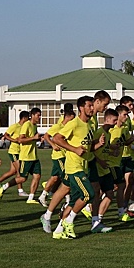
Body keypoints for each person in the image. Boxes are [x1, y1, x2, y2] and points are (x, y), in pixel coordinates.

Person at [47, 96, 105, 239]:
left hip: (83, 166)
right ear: (81, 108)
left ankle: (58, 230)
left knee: (74, 200)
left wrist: (98, 145)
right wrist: (74, 149)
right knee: (89, 194)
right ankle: (69, 221)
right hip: (74, 167)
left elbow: (87, 147)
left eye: (93, 106)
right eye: (89, 106)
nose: (92, 109)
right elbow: (57, 138)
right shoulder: (74, 124)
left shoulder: (90, 125)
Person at [0, 108, 42, 204]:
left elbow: (31, 139)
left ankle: (31, 197)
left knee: (37, 176)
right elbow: (21, 140)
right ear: (32, 115)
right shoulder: (26, 125)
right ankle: (5, 186)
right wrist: (33, 138)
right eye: (38, 115)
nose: (39, 117)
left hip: (34, 156)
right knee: (22, 178)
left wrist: (38, 139)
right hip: (25, 157)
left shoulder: (34, 126)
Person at [89, 108, 120, 234]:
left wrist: (113, 150)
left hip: (105, 169)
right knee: (95, 195)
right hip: (97, 168)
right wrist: (99, 161)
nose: (116, 122)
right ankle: (94, 220)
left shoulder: (108, 133)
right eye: (114, 120)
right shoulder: (99, 132)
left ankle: (98, 220)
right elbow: (91, 149)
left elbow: (104, 148)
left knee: (110, 193)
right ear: (107, 120)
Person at [38, 110, 76, 208]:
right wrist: (53, 145)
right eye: (71, 119)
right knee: (66, 176)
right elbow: (46, 136)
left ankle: (43, 196)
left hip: (64, 155)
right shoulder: (58, 127)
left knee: (55, 178)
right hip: (59, 156)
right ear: (67, 117)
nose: (72, 121)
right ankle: (68, 199)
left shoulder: (69, 128)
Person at [0, 111, 30, 196]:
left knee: (12, 172)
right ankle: (20, 190)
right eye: (28, 118)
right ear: (24, 118)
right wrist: (14, 140)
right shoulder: (15, 127)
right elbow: (6, 135)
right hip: (14, 151)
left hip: (21, 152)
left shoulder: (26, 127)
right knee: (19, 171)